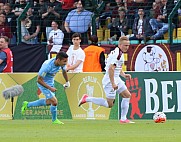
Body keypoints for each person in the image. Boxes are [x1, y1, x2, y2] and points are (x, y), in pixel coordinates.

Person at [79, 36, 134, 124]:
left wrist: (123, 75)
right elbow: (111, 69)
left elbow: (117, 67)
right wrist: (113, 83)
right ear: (120, 45)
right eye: (125, 45)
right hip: (110, 80)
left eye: (128, 45)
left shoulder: (119, 52)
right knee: (109, 104)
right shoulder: (117, 54)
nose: (127, 47)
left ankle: (123, 118)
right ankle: (87, 98)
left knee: (127, 95)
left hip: (116, 78)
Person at [21, 51, 70, 124]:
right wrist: (50, 88)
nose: (65, 63)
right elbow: (39, 80)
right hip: (43, 83)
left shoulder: (61, 64)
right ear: (58, 60)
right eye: (64, 61)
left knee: (49, 102)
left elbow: (64, 71)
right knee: (54, 101)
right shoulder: (47, 66)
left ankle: (27, 104)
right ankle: (54, 120)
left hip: (50, 83)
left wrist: (67, 82)